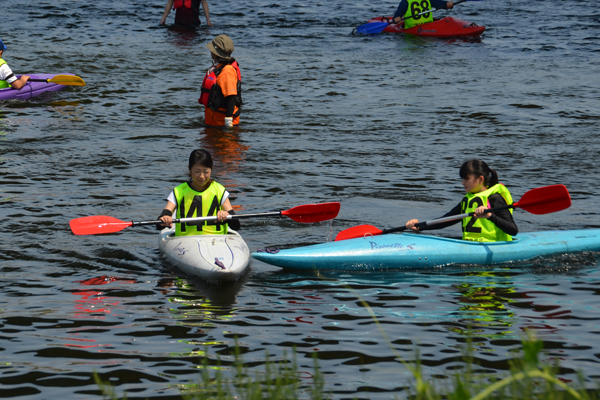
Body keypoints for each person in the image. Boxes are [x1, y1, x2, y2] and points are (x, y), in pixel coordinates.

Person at [405, 159, 518, 242]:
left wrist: (490, 216)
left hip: (495, 246)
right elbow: (447, 220)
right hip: (470, 245)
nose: (463, 182)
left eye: (466, 178)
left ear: (480, 179)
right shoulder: (467, 199)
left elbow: (513, 230)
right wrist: (420, 226)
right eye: (462, 178)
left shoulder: (495, 198)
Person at [158, 149, 240, 236]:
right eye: (197, 171)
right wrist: (165, 219)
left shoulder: (219, 190)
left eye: (206, 172)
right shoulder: (178, 191)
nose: (201, 176)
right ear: (189, 169)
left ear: (211, 170)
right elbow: (160, 223)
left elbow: (236, 225)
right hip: (185, 241)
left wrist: (226, 216)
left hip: (216, 240)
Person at [198, 35, 242, 128]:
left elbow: (231, 97)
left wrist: (228, 124)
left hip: (221, 126)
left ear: (216, 52)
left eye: (212, 49)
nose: (210, 51)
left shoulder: (227, 71)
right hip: (214, 123)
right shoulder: (217, 68)